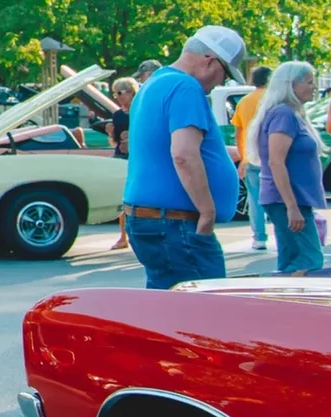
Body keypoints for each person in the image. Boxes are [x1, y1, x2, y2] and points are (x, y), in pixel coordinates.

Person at [122, 26, 244, 290]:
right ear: (210, 59)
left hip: (152, 219)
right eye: (225, 73)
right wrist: (207, 211)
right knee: (205, 315)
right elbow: (183, 154)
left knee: (168, 311)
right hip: (176, 223)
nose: (222, 82)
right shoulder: (185, 86)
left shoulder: (154, 83)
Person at [252, 61, 325, 275]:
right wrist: (291, 206)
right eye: (309, 82)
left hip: (291, 201)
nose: (315, 87)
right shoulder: (283, 114)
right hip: (286, 201)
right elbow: (276, 161)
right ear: (291, 85)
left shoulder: (291, 114)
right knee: (309, 260)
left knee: (292, 258)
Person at [230, 66, 272, 252]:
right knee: (280, 198)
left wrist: (242, 157)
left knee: (255, 199)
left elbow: (237, 132)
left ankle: (259, 238)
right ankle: (283, 234)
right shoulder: (274, 101)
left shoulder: (244, 102)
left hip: (252, 157)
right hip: (273, 156)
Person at [107, 76, 138, 249]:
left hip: (138, 157)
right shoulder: (117, 115)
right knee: (123, 197)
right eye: (114, 93)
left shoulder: (140, 110)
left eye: (119, 92)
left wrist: (131, 140)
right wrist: (111, 134)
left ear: (130, 92)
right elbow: (115, 141)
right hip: (121, 157)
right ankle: (123, 237)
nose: (116, 97)